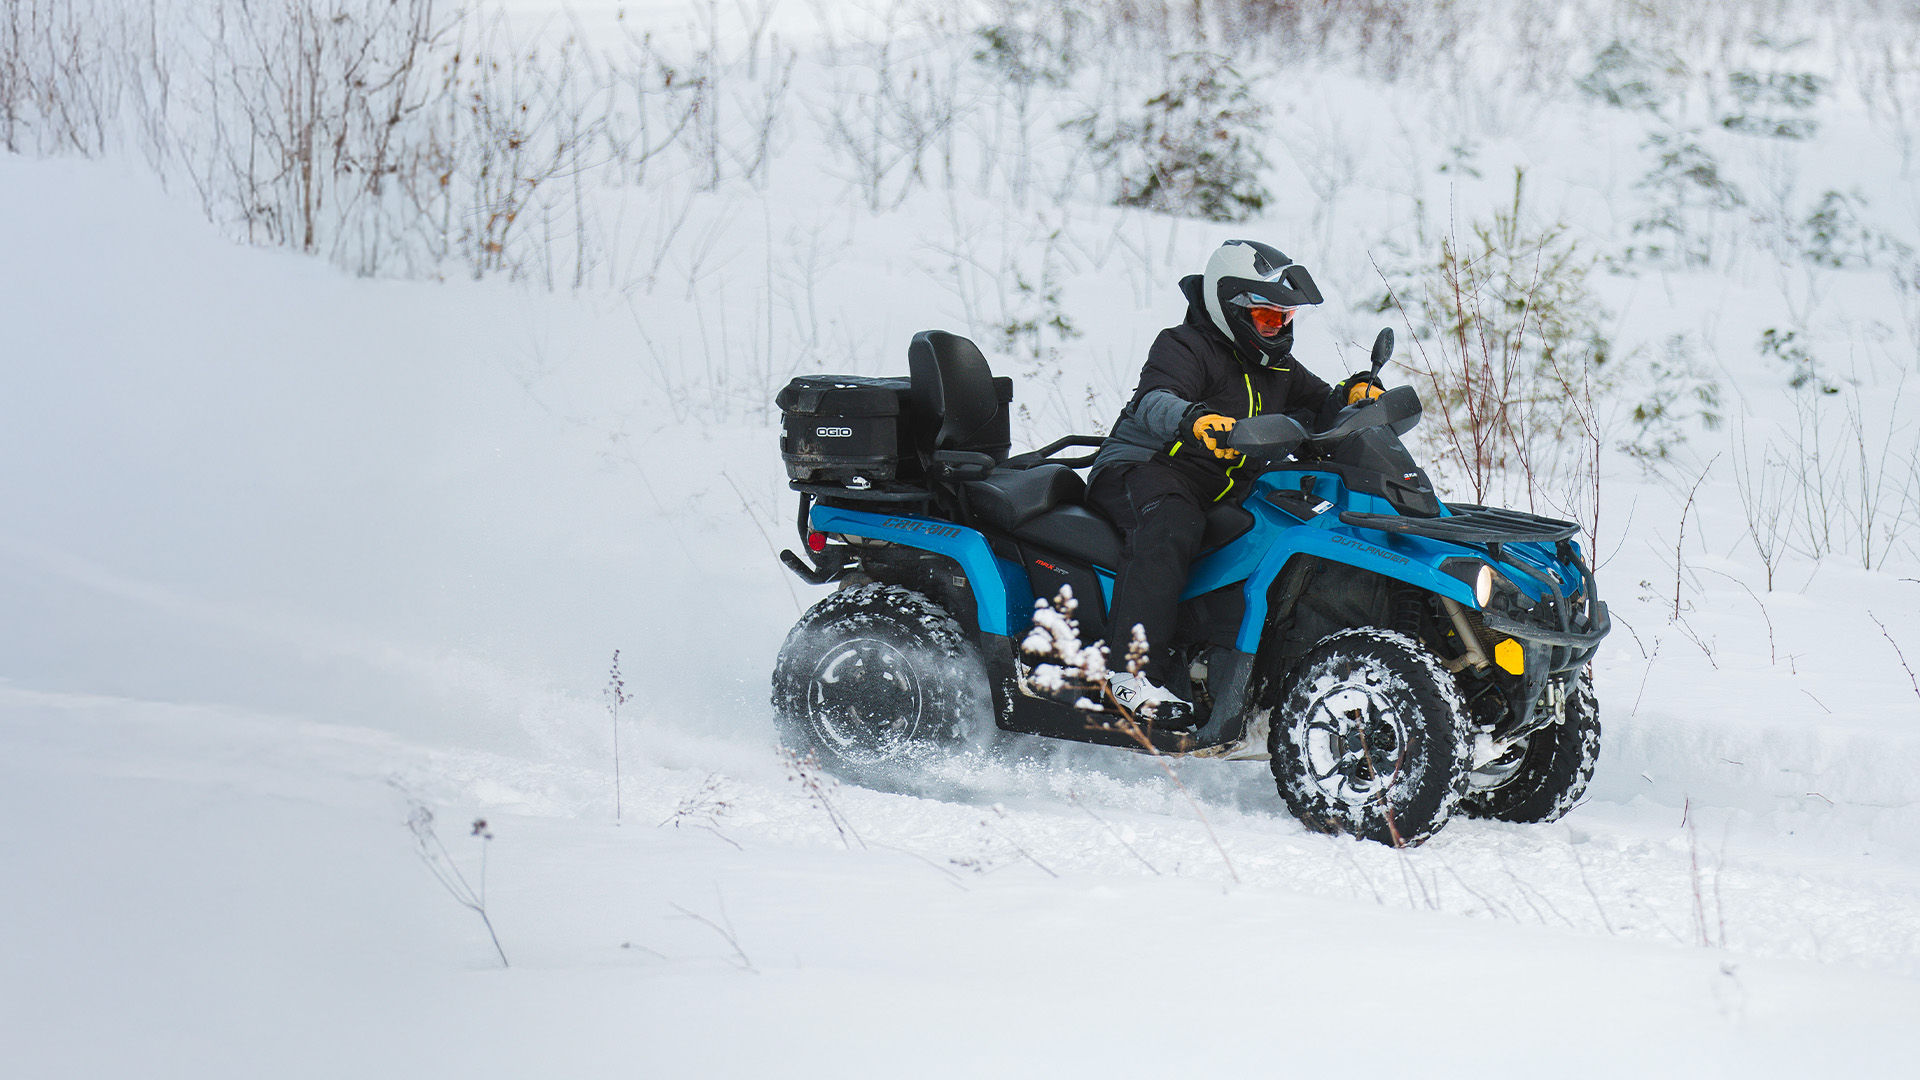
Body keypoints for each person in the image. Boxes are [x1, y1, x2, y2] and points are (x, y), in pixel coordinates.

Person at [1085, 239, 1382, 722]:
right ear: (1231, 309)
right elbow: (1155, 399)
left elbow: (1320, 408)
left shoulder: (1276, 367)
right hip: (1146, 467)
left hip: (1220, 484)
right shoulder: (1184, 345)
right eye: (1267, 318)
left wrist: (1353, 396)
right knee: (1173, 524)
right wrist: (1195, 420)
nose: (1277, 329)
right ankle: (1129, 676)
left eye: (1284, 320)